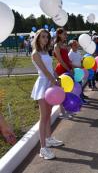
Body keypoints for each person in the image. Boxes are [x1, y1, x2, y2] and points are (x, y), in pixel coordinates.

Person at [31, 29, 63, 160]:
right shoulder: (35, 53)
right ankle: (43, 148)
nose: (45, 39)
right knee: (43, 117)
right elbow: (44, 71)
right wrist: (53, 81)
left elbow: (51, 69)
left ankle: (49, 139)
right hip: (43, 84)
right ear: (38, 38)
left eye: (47, 37)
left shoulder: (46, 52)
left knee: (48, 113)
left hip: (51, 83)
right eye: (43, 37)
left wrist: (57, 78)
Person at [53, 28, 73, 119]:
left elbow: (67, 59)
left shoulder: (64, 45)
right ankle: (62, 112)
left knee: (67, 90)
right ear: (59, 35)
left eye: (66, 34)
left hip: (67, 68)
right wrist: (68, 69)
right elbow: (60, 60)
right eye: (64, 34)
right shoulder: (56, 46)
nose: (66, 36)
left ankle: (67, 109)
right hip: (61, 69)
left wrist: (71, 67)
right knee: (61, 91)